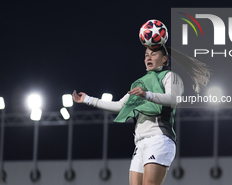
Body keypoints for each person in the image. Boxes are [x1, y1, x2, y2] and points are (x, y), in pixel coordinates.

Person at [73, 45, 209, 185]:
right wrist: (88, 100)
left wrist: (147, 95)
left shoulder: (170, 76)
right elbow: (120, 106)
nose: (148, 57)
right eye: (146, 55)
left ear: (164, 59)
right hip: (140, 143)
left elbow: (172, 98)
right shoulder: (139, 83)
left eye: (153, 54)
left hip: (159, 139)